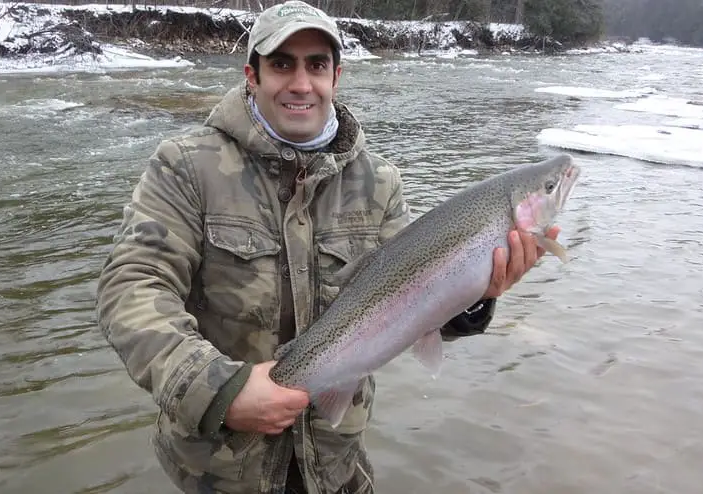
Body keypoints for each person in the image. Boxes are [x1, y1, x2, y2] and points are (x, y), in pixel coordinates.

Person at [95, 1, 561, 493]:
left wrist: (476, 297)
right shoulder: (185, 167)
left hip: (337, 470)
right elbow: (129, 287)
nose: (301, 83)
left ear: (335, 76)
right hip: (219, 474)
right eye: (282, 64)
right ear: (251, 75)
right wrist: (219, 391)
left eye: (316, 64)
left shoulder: (379, 182)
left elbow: (418, 306)